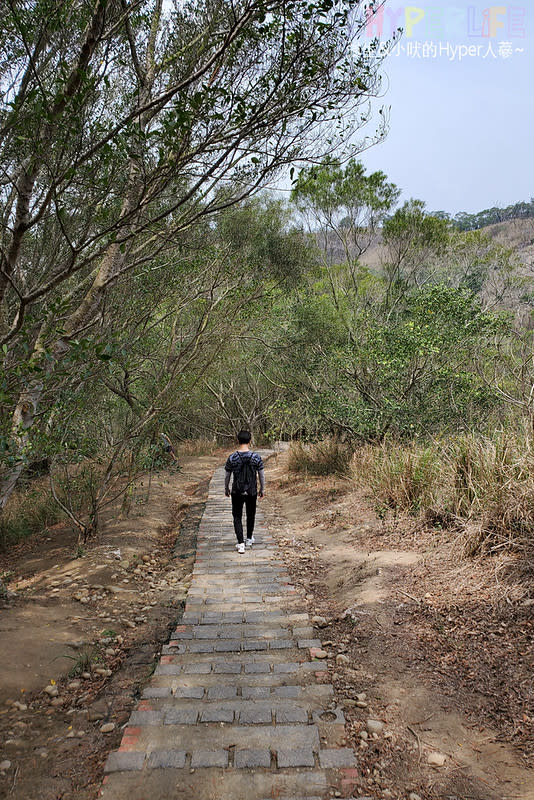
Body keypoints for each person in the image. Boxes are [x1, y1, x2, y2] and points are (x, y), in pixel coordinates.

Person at [225, 430, 265, 554]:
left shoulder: (232, 457)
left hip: (237, 491)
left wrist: (226, 488)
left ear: (238, 440)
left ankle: (240, 543)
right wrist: (262, 489)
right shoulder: (256, 457)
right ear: (250, 441)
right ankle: (249, 538)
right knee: (251, 514)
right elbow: (261, 475)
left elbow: (227, 475)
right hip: (251, 491)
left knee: (237, 516)